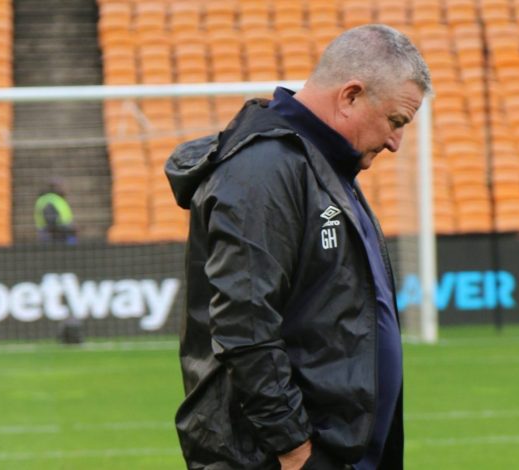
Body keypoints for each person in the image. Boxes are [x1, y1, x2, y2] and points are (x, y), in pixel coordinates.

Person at [165, 24, 431, 470]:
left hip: (334, 449)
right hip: (282, 457)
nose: (395, 142)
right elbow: (243, 325)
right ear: (350, 96)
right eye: (395, 121)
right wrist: (295, 449)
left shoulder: (321, 163)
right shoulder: (264, 169)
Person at [34, 178, 77, 244]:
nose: (65, 188)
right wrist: (61, 230)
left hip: (56, 232)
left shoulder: (55, 198)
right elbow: (50, 219)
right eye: (62, 186)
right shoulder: (51, 199)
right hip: (55, 235)